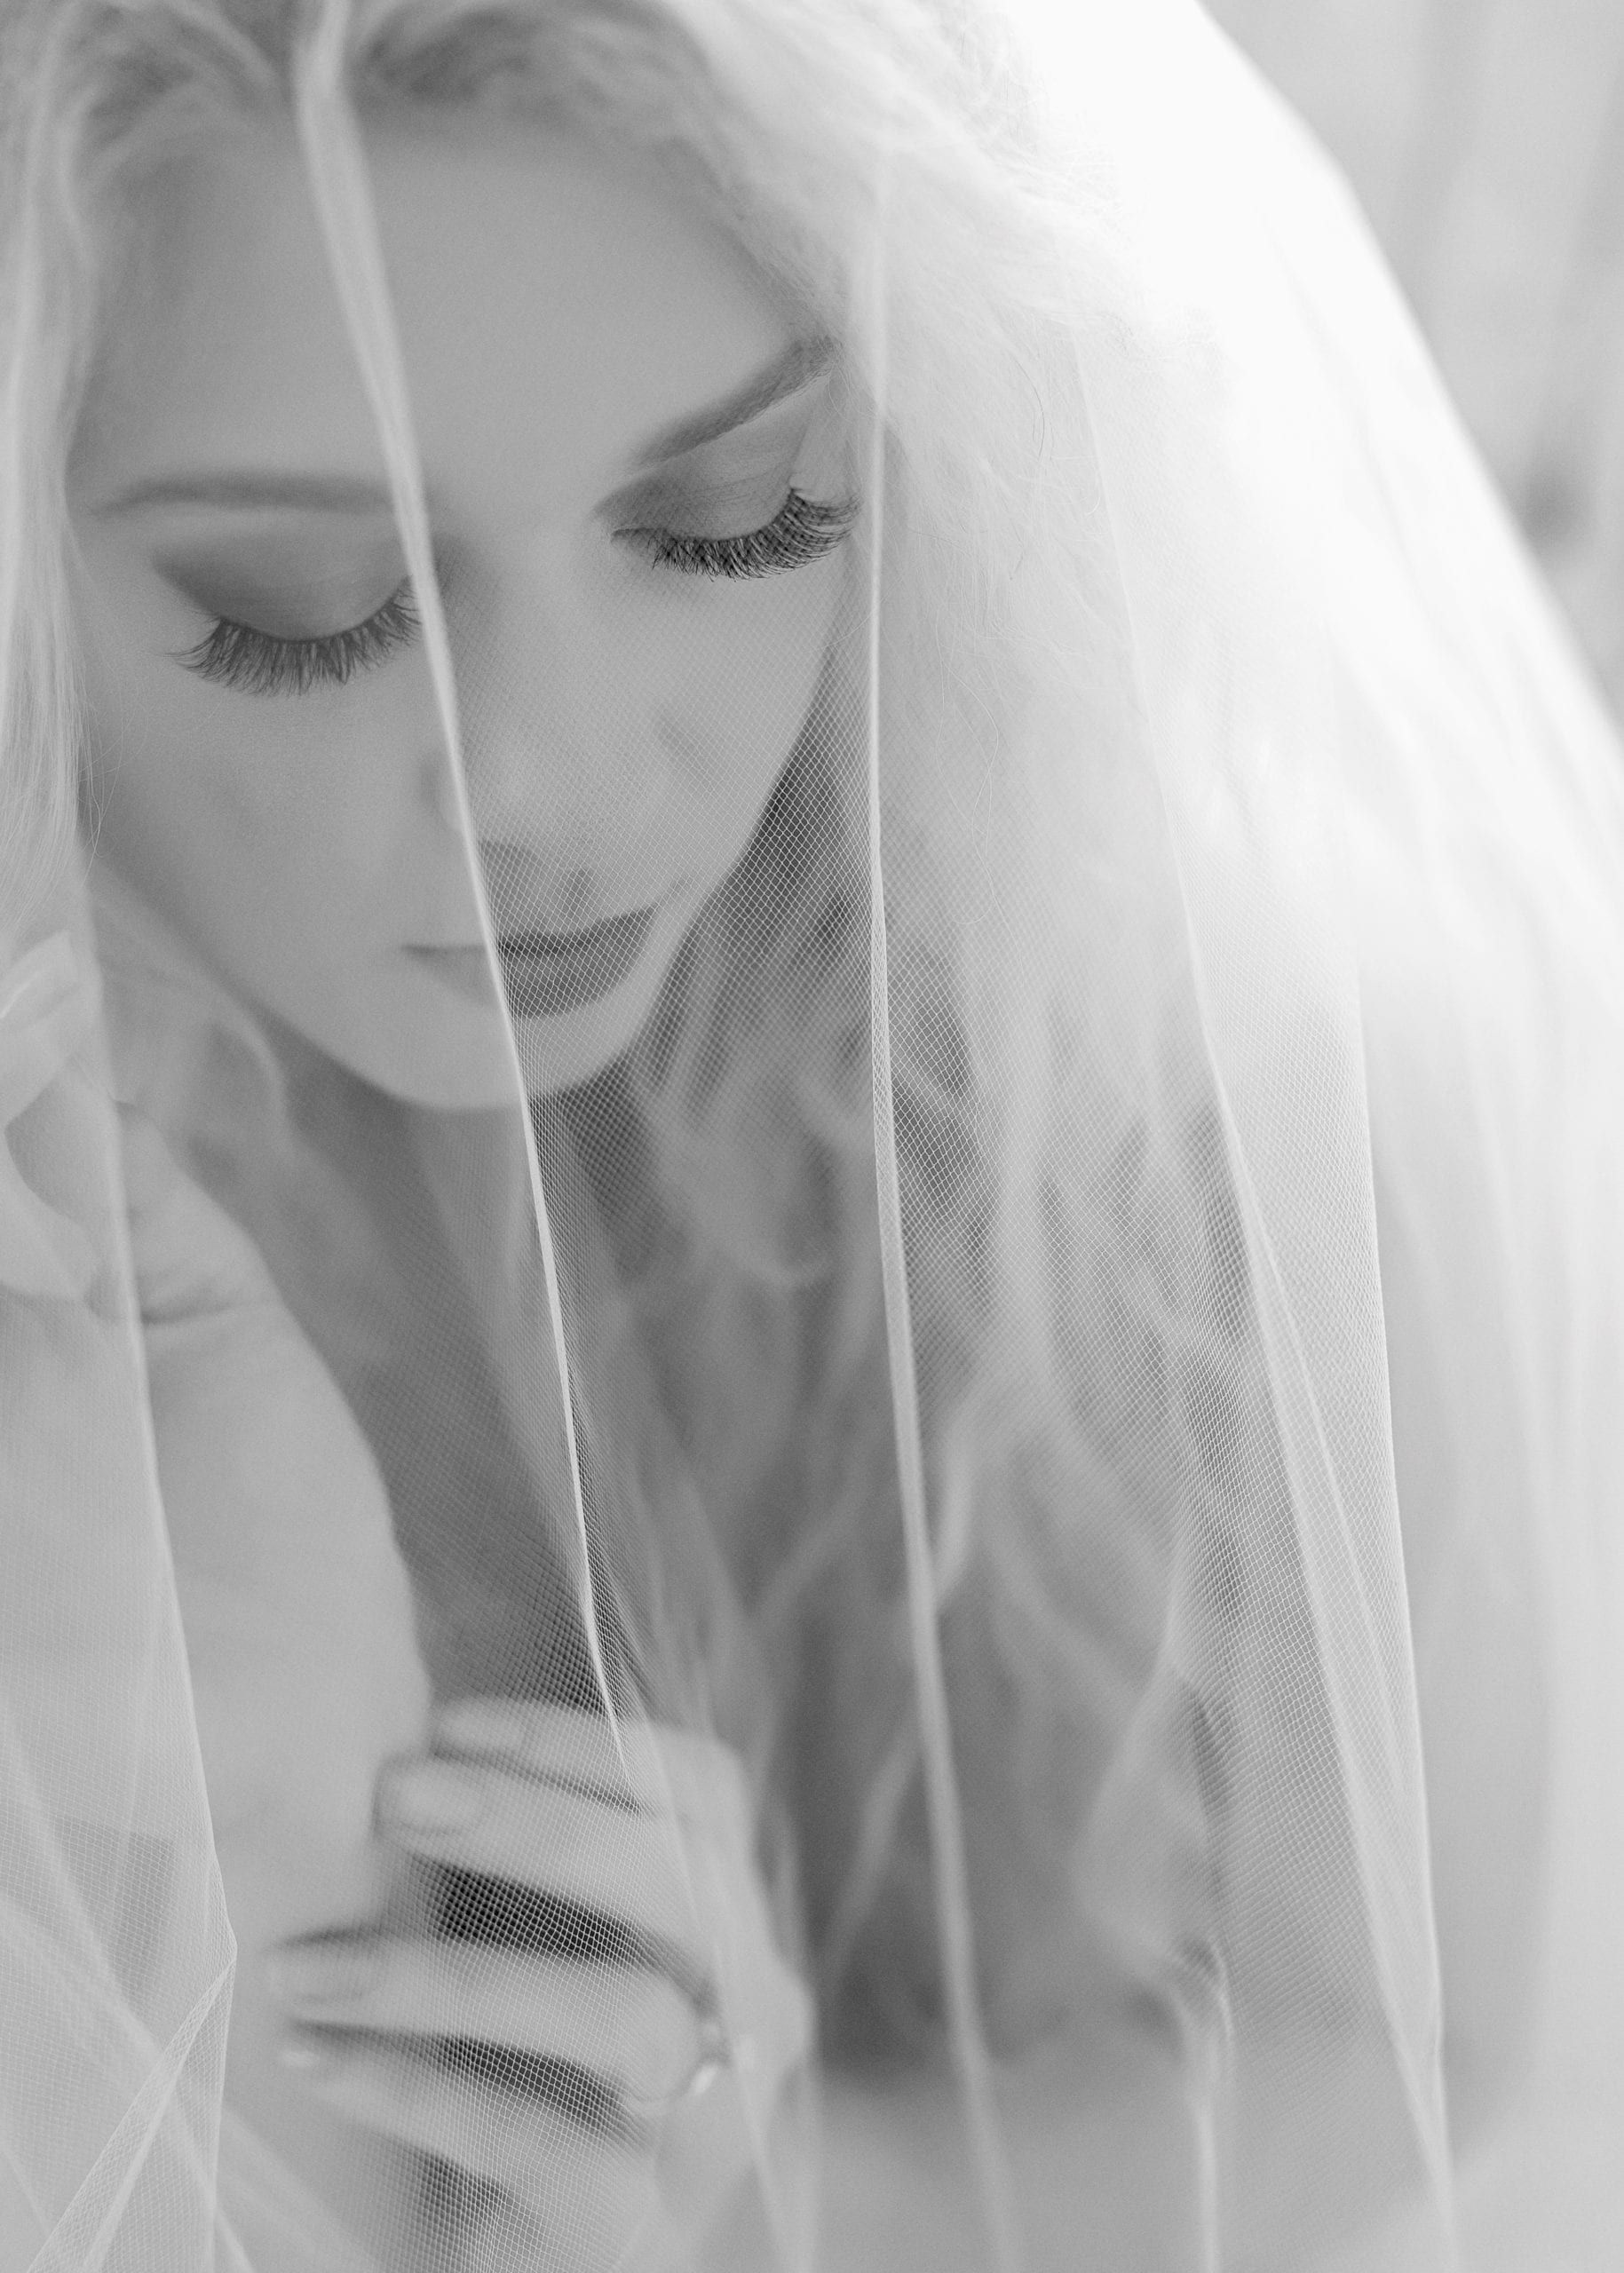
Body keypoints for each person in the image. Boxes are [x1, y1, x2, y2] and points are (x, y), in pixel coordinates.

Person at [1, 1, 1620, 2267]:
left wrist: (792, 2195)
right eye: (306, 613)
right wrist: (263, 1810)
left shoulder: (1286, 1065)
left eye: (729, 515)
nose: (553, 789)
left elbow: (1440, 2063)